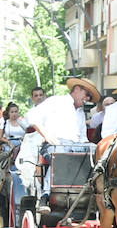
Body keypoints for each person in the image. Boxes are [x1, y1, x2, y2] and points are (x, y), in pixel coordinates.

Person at [26, 79, 96, 214]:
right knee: (60, 154)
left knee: (97, 149)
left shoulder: (80, 112)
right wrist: (46, 135)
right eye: (86, 94)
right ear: (77, 89)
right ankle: (45, 197)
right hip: (55, 144)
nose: (87, 99)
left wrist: (92, 147)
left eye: (89, 97)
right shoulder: (57, 101)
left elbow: (83, 138)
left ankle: (96, 192)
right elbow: (31, 116)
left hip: (76, 145)